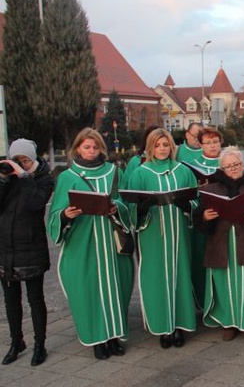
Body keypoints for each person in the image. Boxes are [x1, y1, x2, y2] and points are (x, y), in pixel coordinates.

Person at [47, 128, 134, 360]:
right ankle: (98, 339)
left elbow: (127, 203)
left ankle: (115, 336)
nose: (92, 151)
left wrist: (117, 207)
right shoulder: (67, 177)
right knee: (89, 290)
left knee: (116, 288)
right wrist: (66, 213)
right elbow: (55, 213)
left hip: (111, 241)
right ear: (77, 149)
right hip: (83, 243)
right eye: (87, 147)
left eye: (95, 147)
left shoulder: (114, 172)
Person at [195, 147, 244, 340]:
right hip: (221, 246)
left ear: (243, 164)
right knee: (225, 285)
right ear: (222, 169)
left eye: (237, 164)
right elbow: (199, 217)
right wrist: (205, 216)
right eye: (228, 166)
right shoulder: (212, 188)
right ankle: (229, 323)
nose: (233, 169)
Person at [127, 129, 197, 348]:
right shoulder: (140, 173)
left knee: (180, 276)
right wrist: (141, 207)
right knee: (156, 279)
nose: (162, 149)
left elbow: (197, 200)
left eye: (165, 145)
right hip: (152, 234)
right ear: (150, 147)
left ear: (172, 147)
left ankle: (180, 326)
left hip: (179, 233)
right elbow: (129, 204)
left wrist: (187, 205)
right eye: (157, 145)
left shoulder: (183, 171)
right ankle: (163, 328)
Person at [0, 139, 53, 366]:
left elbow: (35, 204)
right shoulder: (7, 178)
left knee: (35, 299)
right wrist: (3, 180)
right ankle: (16, 341)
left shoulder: (43, 179)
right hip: (5, 249)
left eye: (25, 160)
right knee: (11, 302)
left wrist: (23, 176)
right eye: (17, 160)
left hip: (32, 248)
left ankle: (40, 344)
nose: (20, 163)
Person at [189, 127, 224, 310]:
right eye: (208, 142)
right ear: (200, 144)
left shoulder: (227, 162)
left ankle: (224, 303)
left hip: (225, 219)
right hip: (204, 218)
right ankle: (204, 303)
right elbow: (187, 195)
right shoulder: (192, 166)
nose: (212, 146)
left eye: (215, 142)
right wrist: (198, 190)